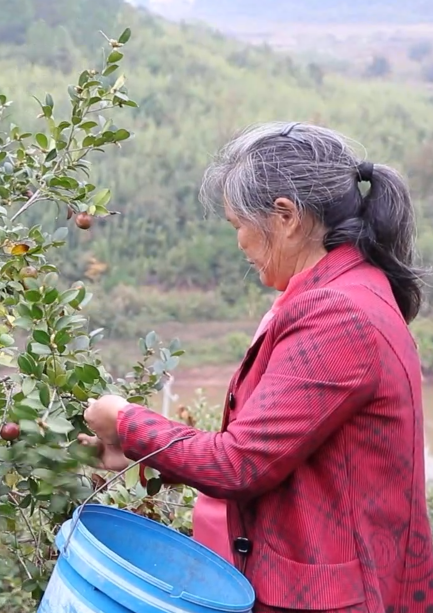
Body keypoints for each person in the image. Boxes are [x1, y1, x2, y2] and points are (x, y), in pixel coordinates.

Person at [80, 121, 432, 613]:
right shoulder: (350, 290)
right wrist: (140, 452)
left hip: (335, 599)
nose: (240, 243)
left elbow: (240, 464)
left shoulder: (339, 315)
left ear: (285, 216)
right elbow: (276, 449)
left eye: (237, 225)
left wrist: (125, 420)